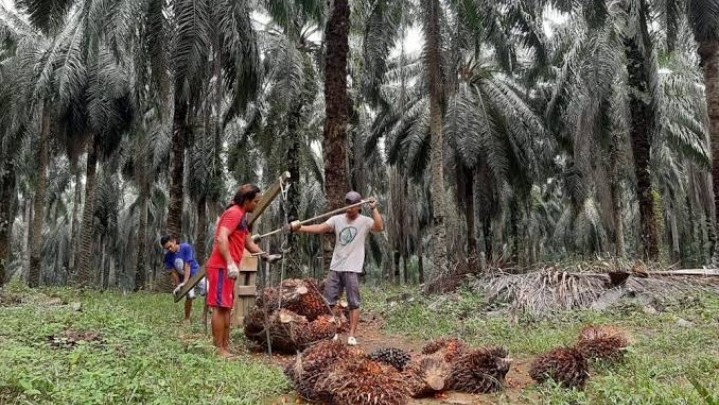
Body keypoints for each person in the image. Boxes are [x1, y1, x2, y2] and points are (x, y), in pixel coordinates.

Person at [288, 190, 383, 346]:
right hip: (336, 266)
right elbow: (319, 228)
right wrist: (300, 228)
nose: (349, 208)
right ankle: (331, 332)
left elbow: (379, 227)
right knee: (329, 302)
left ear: (359, 207)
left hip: (353, 268)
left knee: (354, 303)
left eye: (353, 205)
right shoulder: (337, 219)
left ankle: (351, 335)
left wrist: (373, 209)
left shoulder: (365, 221)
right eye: (347, 204)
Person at [205, 184, 275, 358]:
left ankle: (225, 346)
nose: (257, 205)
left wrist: (265, 256)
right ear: (246, 200)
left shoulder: (242, 217)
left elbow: (248, 243)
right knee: (220, 308)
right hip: (222, 267)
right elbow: (222, 237)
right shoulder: (234, 213)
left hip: (229, 268)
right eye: (256, 202)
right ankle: (218, 349)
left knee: (227, 307)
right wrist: (229, 263)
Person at [160, 236, 208, 325]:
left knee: (208, 290)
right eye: (167, 248)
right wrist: (178, 285)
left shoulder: (186, 247)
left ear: (174, 241)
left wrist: (186, 282)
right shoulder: (168, 257)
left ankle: (204, 316)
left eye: (170, 246)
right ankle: (187, 318)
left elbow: (187, 265)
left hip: (196, 273)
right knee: (189, 296)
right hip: (183, 278)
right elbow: (172, 272)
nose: (170, 249)